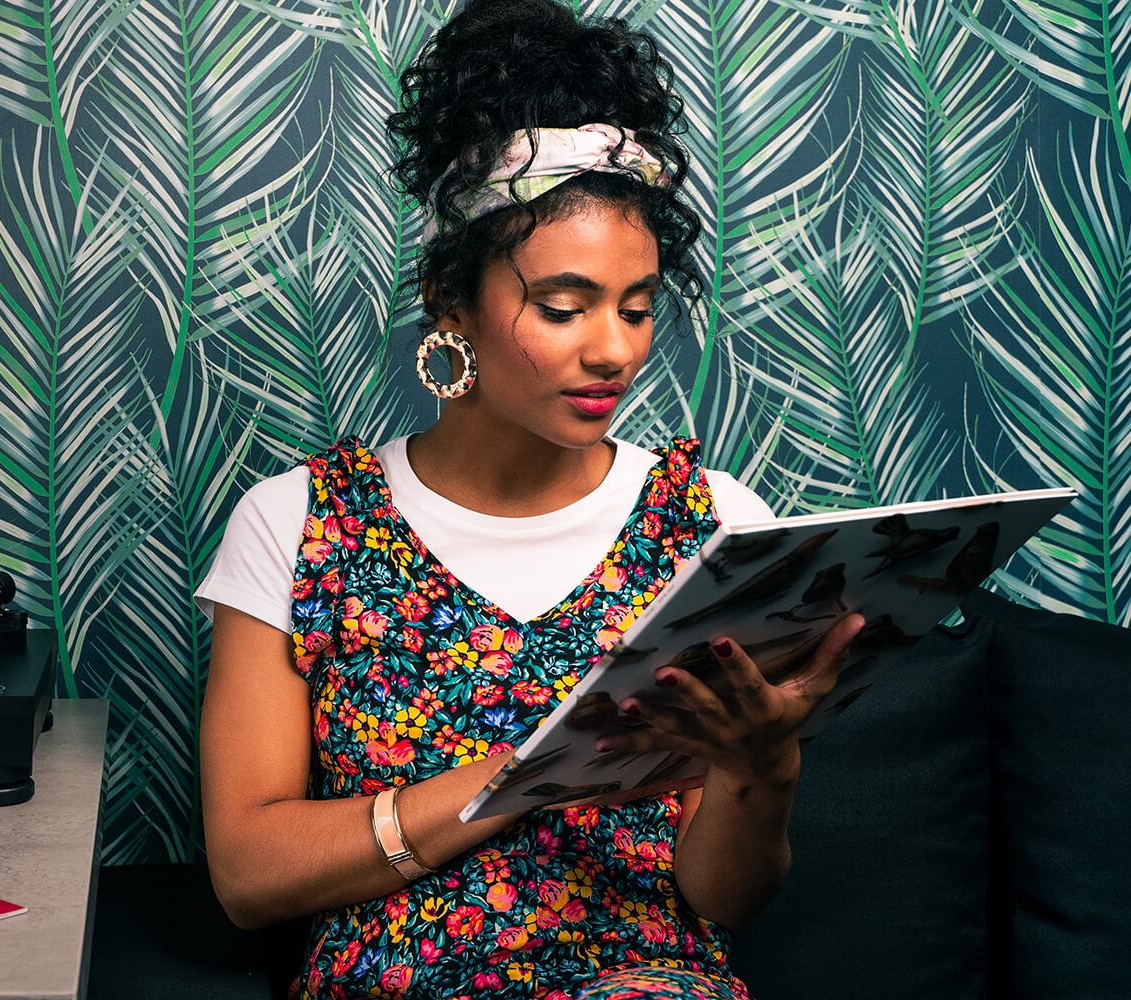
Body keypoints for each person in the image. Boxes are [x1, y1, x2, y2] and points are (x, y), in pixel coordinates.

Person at [193, 1, 866, 997]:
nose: (614, 350)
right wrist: (526, 774)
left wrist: (762, 769)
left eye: (636, 307)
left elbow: (724, 902)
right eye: (562, 307)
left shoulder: (714, 523)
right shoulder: (298, 522)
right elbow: (248, 877)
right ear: (450, 300)